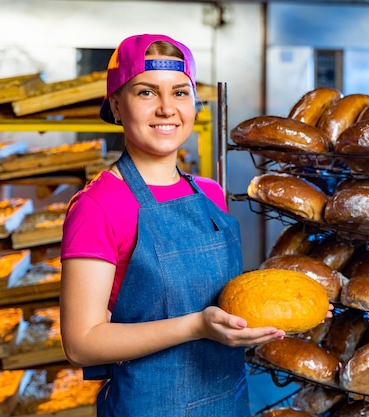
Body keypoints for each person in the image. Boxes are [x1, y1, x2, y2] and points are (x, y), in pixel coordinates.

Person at [59, 33, 290, 416]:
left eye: (180, 93)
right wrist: (196, 327)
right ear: (117, 105)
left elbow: (219, 299)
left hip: (227, 399)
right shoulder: (98, 205)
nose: (167, 108)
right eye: (147, 93)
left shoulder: (211, 194)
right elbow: (81, 343)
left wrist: (274, 308)